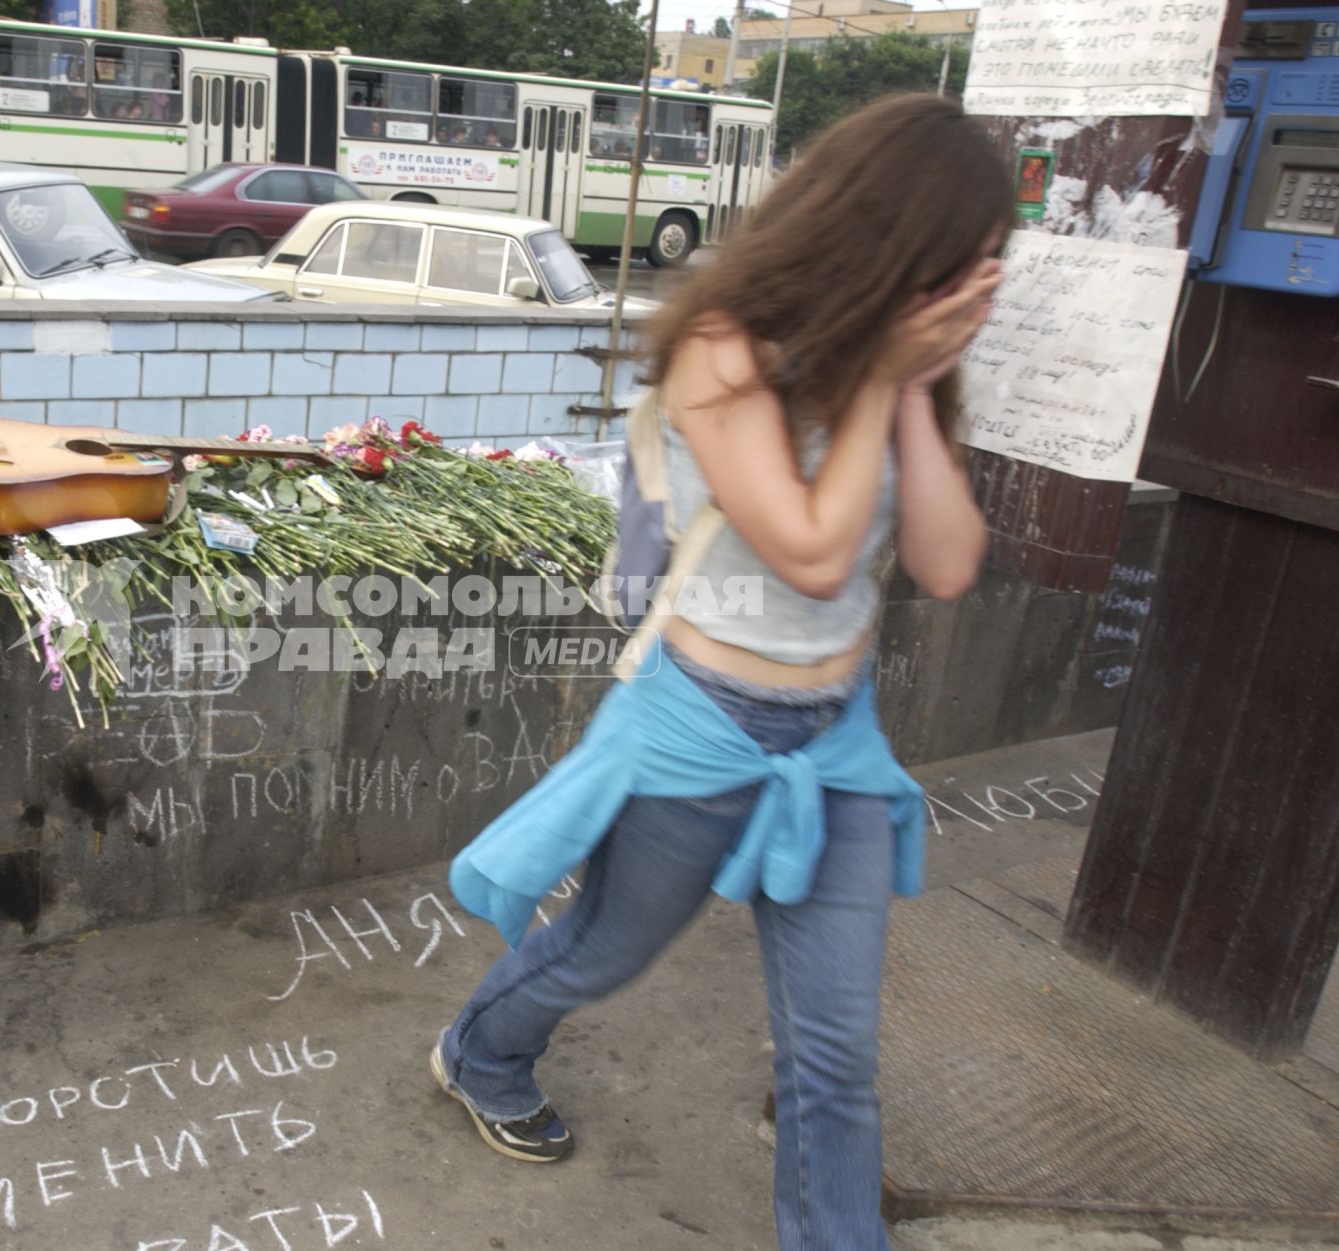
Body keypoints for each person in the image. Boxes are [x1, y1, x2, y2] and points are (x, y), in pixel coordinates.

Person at [429, 93, 1008, 1251]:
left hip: (837, 741)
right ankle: (479, 1051)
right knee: (604, 950)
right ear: (890, 242)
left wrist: (904, 386)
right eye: (964, 261)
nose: (981, 289)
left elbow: (946, 564)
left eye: (994, 265)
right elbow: (810, 551)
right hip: (700, 725)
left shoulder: (908, 371)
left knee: (837, 1051)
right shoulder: (724, 346)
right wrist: (881, 379)